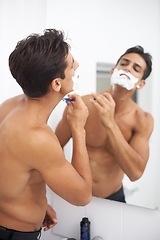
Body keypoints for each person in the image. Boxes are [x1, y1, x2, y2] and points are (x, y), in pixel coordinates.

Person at [0, 29, 92, 240]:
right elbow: (83, 196)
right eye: (72, 64)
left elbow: (12, 168)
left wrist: (39, 203)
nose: (76, 66)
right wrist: (78, 127)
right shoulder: (38, 137)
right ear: (56, 84)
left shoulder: (9, 106)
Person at [55, 45, 154, 203]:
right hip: (76, 192)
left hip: (113, 198)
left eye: (136, 68)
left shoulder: (142, 120)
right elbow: (54, 147)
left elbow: (135, 173)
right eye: (124, 63)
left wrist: (110, 123)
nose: (128, 69)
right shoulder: (83, 104)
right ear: (112, 71)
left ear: (140, 84)